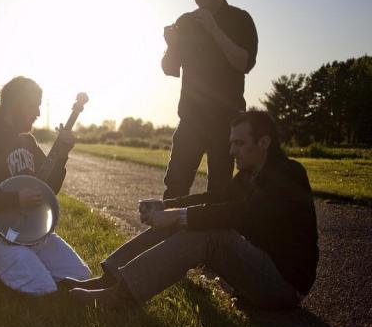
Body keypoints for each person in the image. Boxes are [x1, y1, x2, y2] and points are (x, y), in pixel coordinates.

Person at [65, 111, 318, 311]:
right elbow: (214, 198)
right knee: (184, 220)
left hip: (283, 286)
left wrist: (178, 216)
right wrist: (167, 205)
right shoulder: (248, 176)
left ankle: (122, 296)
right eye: (231, 143)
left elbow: (244, 212)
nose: (231, 151)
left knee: (207, 234)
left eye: (239, 143)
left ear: (264, 142)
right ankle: (111, 278)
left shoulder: (289, 174)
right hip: (257, 271)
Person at [0, 76, 91, 295]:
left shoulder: (27, 142)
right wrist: (14, 199)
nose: (38, 113)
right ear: (14, 105)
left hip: (33, 234)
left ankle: (27, 263)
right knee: (44, 290)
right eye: (33, 106)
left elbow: (46, 189)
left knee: (81, 279)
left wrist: (62, 154)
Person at [161, 0, 259, 199]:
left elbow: (243, 63)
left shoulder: (241, 19)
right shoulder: (185, 21)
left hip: (226, 121)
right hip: (191, 117)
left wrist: (213, 28)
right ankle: (168, 235)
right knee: (175, 185)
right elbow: (169, 69)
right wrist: (170, 45)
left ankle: (214, 238)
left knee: (220, 191)